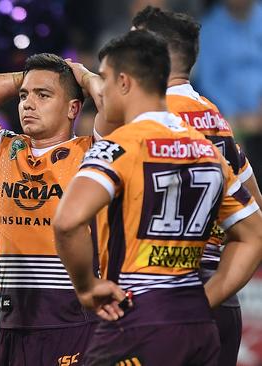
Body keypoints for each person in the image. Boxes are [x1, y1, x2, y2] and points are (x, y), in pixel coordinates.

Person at [54, 29, 262, 365]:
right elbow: (254, 234)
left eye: (104, 79)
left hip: (136, 314)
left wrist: (86, 286)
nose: (102, 90)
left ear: (123, 82)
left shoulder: (118, 146)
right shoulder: (208, 152)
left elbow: (67, 220)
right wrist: (205, 299)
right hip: (196, 322)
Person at [0, 52, 106, 365]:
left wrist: (80, 75)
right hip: (16, 324)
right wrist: (30, 77)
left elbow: (114, 108)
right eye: (23, 96)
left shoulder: (95, 154)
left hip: (76, 322)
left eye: (43, 95)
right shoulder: (5, 150)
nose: (28, 104)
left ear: (74, 107)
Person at [131, 6, 262, 365]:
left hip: (156, 295)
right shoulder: (217, 119)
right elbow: (256, 209)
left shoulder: (144, 118)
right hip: (218, 297)